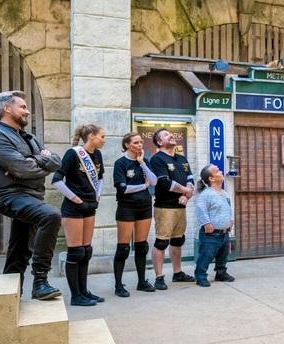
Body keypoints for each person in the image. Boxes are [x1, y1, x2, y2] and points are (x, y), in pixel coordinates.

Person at [0, 90, 62, 300]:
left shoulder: (30, 137)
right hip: (11, 196)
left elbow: (55, 161)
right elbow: (22, 169)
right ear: (7, 108)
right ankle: (40, 281)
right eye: (23, 107)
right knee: (51, 216)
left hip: (33, 196)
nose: (27, 111)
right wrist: (38, 161)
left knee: (20, 251)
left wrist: (33, 161)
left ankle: (8, 298)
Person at [51, 124, 106, 307]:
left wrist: (97, 196)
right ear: (91, 136)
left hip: (90, 206)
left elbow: (100, 178)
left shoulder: (97, 155)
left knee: (86, 251)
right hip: (74, 208)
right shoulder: (73, 154)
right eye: (102, 136)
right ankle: (75, 296)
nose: (104, 140)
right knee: (75, 252)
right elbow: (56, 181)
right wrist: (76, 199)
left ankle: (84, 291)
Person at [149, 128, 196, 289]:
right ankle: (159, 277)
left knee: (178, 240)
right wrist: (186, 191)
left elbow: (190, 178)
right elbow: (164, 182)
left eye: (171, 133)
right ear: (160, 142)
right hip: (165, 207)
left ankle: (178, 273)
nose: (171, 135)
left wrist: (187, 195)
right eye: (166, 134)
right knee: (161, 242)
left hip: (181, 207)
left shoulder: (182, 158)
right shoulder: (157, 159)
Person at [112, 132, 158, 296]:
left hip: (144, 206)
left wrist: (142, 164)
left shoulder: (144, 161)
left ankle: (141, 282)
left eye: (141, 142)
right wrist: (142, 187)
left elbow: (154, 181)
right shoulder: (120, 163)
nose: (140, 145)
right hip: (127, 208)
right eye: (136, 143)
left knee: (142, 246)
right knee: (123, 248)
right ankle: (118, 285)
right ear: (127, 145)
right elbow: (123, 189)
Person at [194, 164, 234, 287]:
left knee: (223, 255)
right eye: (217, 171)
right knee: (206, 255)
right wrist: (206, 223)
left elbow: (228, 208)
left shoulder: (225, 193)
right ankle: (201, 276)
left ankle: (221, 273)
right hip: (211, 234)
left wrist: (231, 220)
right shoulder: (206, 194)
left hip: (224, 233)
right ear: (211, 178)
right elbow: (201, 210)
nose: (221, 171)